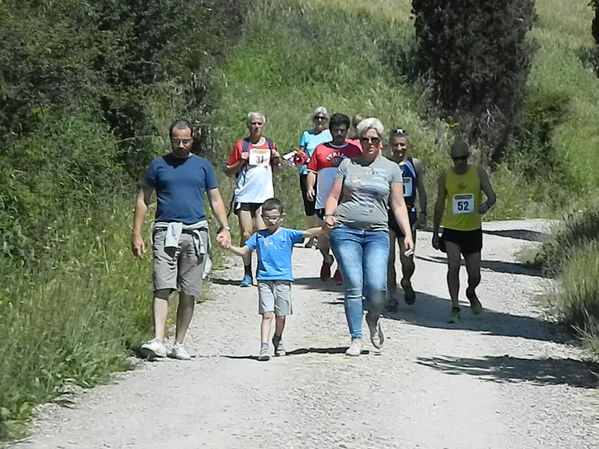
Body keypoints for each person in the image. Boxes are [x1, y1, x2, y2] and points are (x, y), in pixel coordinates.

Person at [132, 119, 232, 360]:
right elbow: (143, 199)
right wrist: (136, 233)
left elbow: (216, 199)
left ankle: (179, 342)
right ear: (170, 140)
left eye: (185, 141)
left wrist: (225, 226)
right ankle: (158, 340)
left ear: (192, 139)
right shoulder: (158, 166)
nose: (181, 145)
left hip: (195, 232)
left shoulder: (202, 166)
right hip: (166, 231)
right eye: (176, 141)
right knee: (162, 285)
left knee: (189, 290)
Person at [323, 118, 414, 356]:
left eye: (375, 139)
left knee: (377, 288)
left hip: (376, 233)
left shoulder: (391, 169)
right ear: (359, 141)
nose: (370, 143)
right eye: (365, 139)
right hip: (345, 231)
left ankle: (373, 318)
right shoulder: (347, 165)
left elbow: (398, 204)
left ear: (381, 143)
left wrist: (407, 233)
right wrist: (329, 215)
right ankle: (356, 338)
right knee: (353, 284)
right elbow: (334, 196)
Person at [220, 198, 325, 361]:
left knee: (281, 316)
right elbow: (244, 251)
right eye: (266, 217)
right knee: (267, 314)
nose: (270, 221)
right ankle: (264, 347)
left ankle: (277, 337)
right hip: (264, 280)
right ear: (261, 217)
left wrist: (326, 228)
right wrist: (229, 247)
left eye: (274, 217)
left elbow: (307, 233)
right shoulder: (258, 237)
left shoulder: (288, 234)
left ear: (282, 217)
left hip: (283, 280)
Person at [431, 140, 496, 324]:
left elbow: (492, 195)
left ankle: (470, 291)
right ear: (451, 159)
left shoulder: (478, 172)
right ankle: (455, 306)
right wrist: (436, 232)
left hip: (473, 230)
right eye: (455, 159)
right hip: (452, 229)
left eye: (463, 158)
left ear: (468, 157)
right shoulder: (445, 176)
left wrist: (486, 205)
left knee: (474, 274)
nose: (459, 162)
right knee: (453, 265)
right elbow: (439, 204)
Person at [225, 112, 281, 287]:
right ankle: (247, 272)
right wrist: (240, 162)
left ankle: (262, 271)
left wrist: (277, 161)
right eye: (253, 123)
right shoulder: (241, 145)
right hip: (245, 195)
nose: (256, 126)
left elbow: (276, 172)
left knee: (263, 233)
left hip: (264, 196)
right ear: (248, 126)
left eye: (259, 124)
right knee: (246, 233)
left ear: (263, 126)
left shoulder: (271, 144)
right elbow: (228, 171)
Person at [306, 113, 361, 283]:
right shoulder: (321, 149)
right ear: (330, 131)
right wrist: (309, 186)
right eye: (336, 130)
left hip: (347, 201)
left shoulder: (354, 150)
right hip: (323, 199)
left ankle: (340, 267)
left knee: (342, 235)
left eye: (342, 130)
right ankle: (326, 258)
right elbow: (312, 171)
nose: (339, 133)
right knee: (324, 235)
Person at [385, 129, 427, 310]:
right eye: (395, 145)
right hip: (387, 215)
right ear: (390, 146)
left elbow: (421, 189)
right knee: (388, 259)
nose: (399, 148)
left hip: (408, 215)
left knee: (407, 259)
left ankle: (406, 280)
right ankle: (392, 296)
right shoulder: (384, 164)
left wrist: (424, 212)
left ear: (407, 145)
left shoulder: (414, 164)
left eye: (402, 144)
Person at [297, 107, 332, 248]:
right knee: (309, 205)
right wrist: (299, 156)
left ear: (327, 120)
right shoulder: (307, 135)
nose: (319, 120)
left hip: (323, 173)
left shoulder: (330, 135)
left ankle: (322, 235)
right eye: (317, 117)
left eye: (323, 118)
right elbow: (301, 152)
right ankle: (312, 235)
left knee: (322, 204)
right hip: (306, 172)